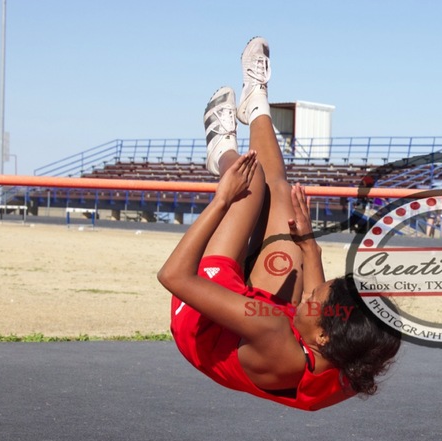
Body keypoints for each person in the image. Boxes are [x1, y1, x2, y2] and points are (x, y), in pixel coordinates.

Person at [158, 37, 401, 411]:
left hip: (200, 326)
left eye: (315, 299)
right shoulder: (349, 351)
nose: (310, 292)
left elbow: (174, 277)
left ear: (320, 337)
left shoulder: (272, 330)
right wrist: (308, 243)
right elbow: (321, 305)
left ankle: (220, 152)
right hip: (260, 331)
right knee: (282, 194)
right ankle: (256, 102)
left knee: (249, 182)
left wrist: (222, 199)